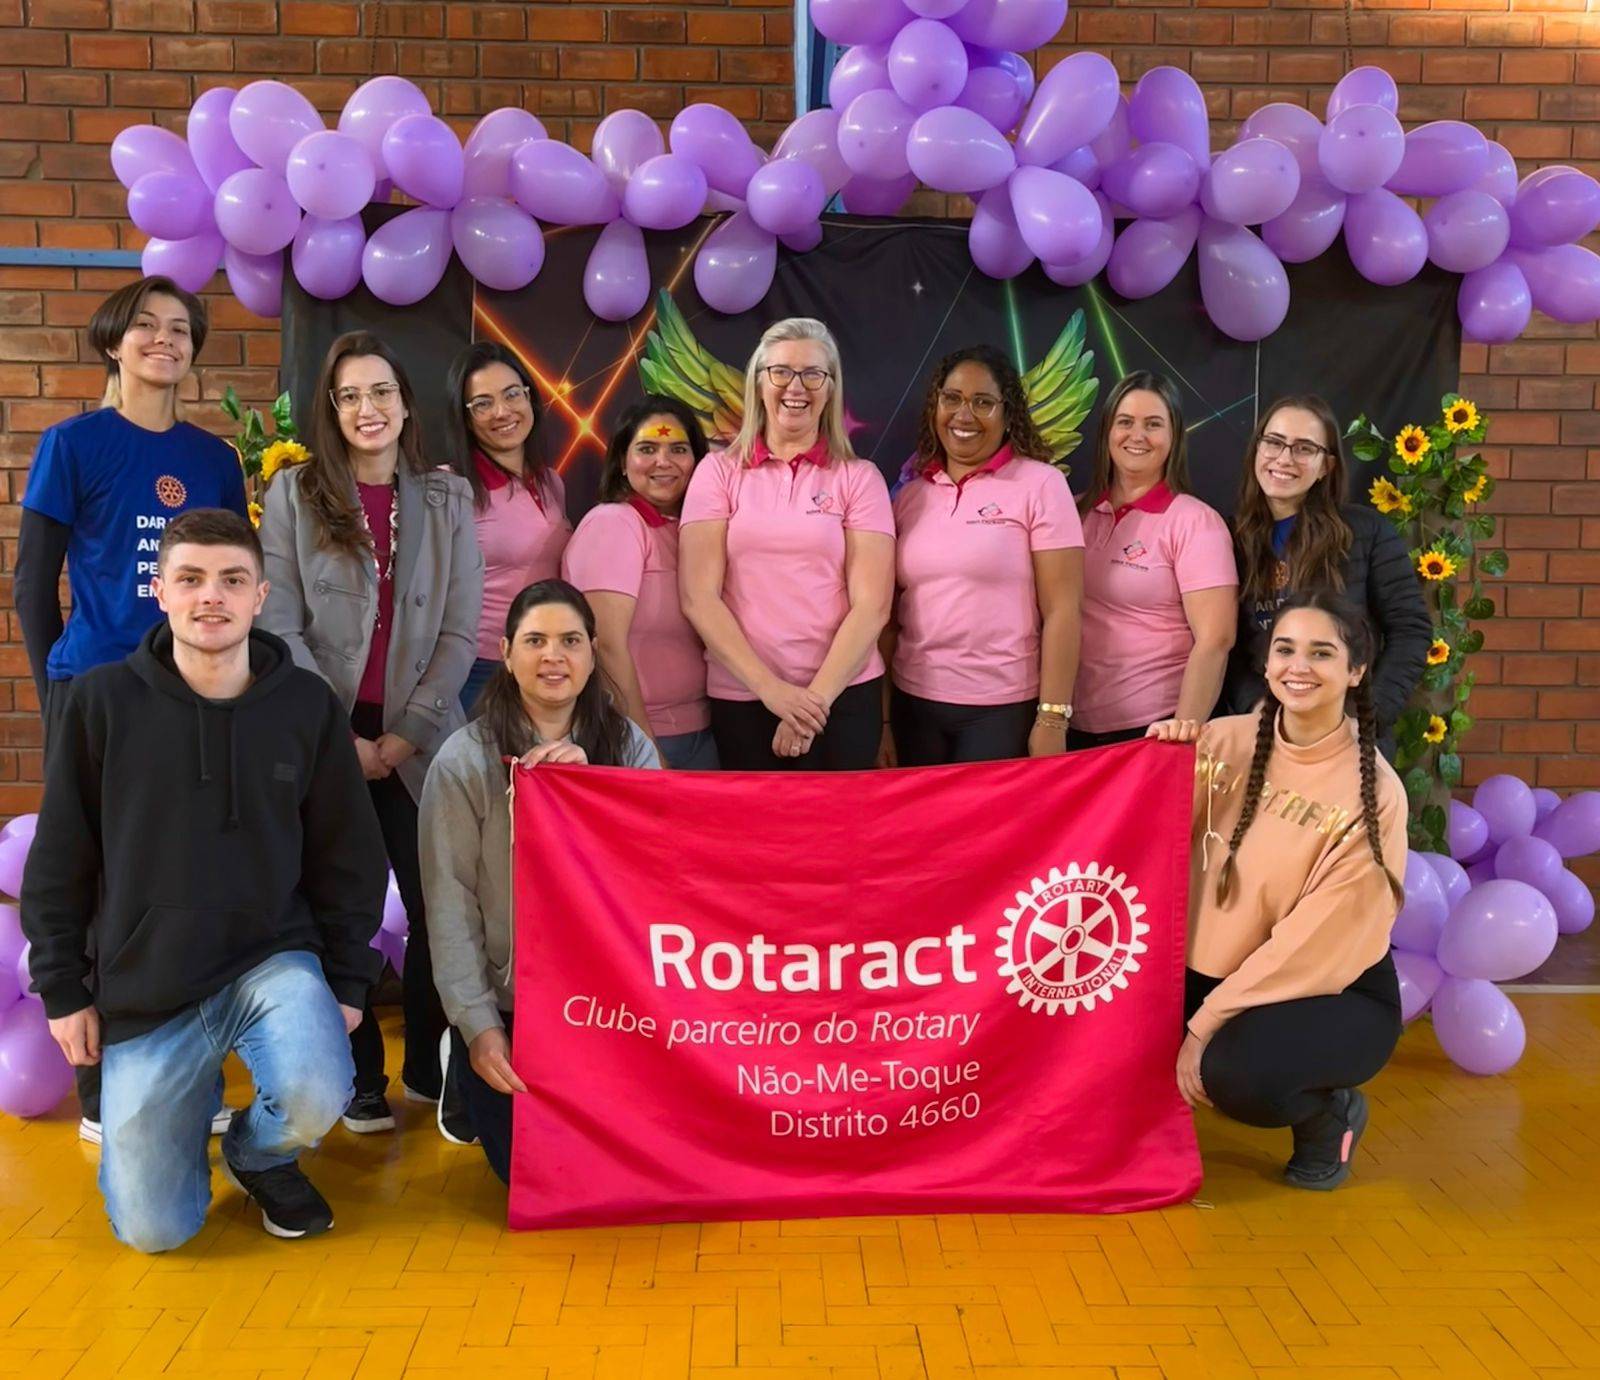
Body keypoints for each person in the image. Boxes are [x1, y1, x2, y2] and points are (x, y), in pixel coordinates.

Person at [20, 508, 386, 1249]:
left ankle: (257, 1152)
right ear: (161, 590)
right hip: (147, 984)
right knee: (155, 1231)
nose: (210, 597)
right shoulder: (98, 705)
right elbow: (58, 861)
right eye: (190, 579)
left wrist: (347, 982)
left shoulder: (307, 707)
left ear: (261, 596)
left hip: (270, 959)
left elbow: (349, 858)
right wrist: (64, 990)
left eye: (231, 580)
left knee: (321, 1088)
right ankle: (173, 1129)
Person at [13, 274, 249, 1142]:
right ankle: (101, 1098)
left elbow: (228, 582)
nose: (165, 340)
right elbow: (35, 584)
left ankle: (183, 1076)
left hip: (189, 695)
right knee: (95, 884)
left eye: (181, 329)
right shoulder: (73, 445)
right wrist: (53, 699)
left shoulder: (214, 460)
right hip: (96, 691)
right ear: (114, 342)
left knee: (180, 882)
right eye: (146, 326)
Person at [259, 331, 483, 1137]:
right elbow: (280, 629)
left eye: (381, 392)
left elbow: (461, 633)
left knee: (440, 910)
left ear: (404, 403)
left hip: (422, 744)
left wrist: (406, 736)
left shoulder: (449, 499)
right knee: (336, 909)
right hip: (326, 743)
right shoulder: (294, 496)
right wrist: (343, 738)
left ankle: (429, 1065)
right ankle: (359, 1082)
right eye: (349, 395)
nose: (367, 409)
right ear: (331, 408)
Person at [1148, 591, 1406, 1191]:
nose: (1299, 666)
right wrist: (1157, 760)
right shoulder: (1222, 743)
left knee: (1235, 1075)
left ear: (1355, 671)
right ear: (1265, 663)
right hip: (1209, 967)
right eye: (1285, 649)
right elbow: (1139, 836)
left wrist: (1203, 1024)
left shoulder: (1375, 794)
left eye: (1322, 653)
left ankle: (1328, 1116)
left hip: (1327, 987)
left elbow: (1312, 946)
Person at [421, 580, 661, 1185]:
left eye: (570, 641)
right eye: (535, 641)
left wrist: (603, 796)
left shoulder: (628, 747)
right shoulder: (463, 760)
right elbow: (450, 906)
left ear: (592, 652)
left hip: (609, 998)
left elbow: (661, 875)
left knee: (630, 1168)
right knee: (538, 1178)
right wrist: (478, 1026)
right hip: (514, 999)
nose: (553, 656)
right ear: (505, 652)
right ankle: (462, 1059)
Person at [679, 318, 894, 770]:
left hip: (842, 698)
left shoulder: (860, 478)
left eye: (813, 374)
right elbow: (699, 597)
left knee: (839, 837)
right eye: (781, 372)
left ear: (831, 388)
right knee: (755, 839)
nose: (796, 386)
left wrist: (810, 705)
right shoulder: (718, 472)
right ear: (759, 382)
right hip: (743, 694)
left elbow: (872, 606)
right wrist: (772, 691)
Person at [885, 345, 1083, 765]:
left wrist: (1052, 719)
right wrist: (883, 719)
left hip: (1001, 710)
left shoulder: (1041, 485)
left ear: (1007, 414)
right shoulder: (911, 494)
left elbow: (1064, 611)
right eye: (952, 398)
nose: (964, 414)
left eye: (983, 402)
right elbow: (888, 616)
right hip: (912, 703)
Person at [1225, 395, 1430, 748]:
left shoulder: (1366, 532)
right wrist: (1257, 708)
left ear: (1326, 466)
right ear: (1257, 449)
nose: (1284, 458)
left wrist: (1366, 718)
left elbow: (1410, 630)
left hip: (1350, 740)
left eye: (1304, 448)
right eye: (1273, 442)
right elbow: (1226, 646)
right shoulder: (1228, 538)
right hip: (1265, 738)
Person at [1072, 371, 1238, 748]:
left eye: (1153, 425)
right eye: (1125, 422)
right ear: (1107, 431)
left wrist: (1182, 731)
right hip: (1071, 724)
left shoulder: (1196, 523)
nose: (1137, 435)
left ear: (1174, 436)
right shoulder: (1073, 511)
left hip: (1151, 730)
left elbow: (1216, 638)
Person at [561, 396, 717, 769]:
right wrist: (644, 748)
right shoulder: (614, 523)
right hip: (642, 738)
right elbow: (606, 646)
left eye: (678, 449)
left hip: (704, 732)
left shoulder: (694, 530)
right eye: (647, 449)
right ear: (621, 461)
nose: (663, 462)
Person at [443, 342, 570, 716]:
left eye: (512, 394)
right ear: (465, 418)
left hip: (544, 663)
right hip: (479, 668)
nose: (502, 412)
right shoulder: (449, 488)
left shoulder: (550, 482)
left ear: (530, 397)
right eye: (482, 403)